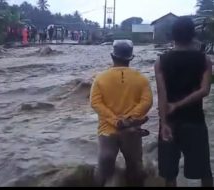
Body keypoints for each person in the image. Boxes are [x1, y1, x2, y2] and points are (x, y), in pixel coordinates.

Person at [155, 17, 213, 187]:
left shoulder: (161, 61)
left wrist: (164, 122)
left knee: (169, 174)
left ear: (173, 36)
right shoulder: (204, 60)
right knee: (204, 171)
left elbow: (161, 94)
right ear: (193, 35)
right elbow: (205, 90)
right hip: (195, 120)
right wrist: (179, 104)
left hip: (170, 121)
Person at [90, 40, 153, 187]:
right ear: (131, 57)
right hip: (132, 130)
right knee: (135, 166)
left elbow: (95, 103)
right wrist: (129, 119)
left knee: (104, 165)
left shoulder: (100, 78)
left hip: (107, 131)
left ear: (112, 56)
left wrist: (115, 121)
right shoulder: (142, 79)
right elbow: (147, 102)